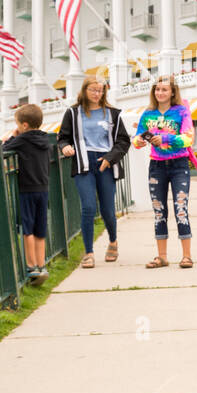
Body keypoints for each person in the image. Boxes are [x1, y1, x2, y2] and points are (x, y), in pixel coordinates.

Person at [58, 76, 129, 268]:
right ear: (84, 90)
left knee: (107, 209)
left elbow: (123, 142)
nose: (97, 94)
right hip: (83, 164)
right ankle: (88, 252)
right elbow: (62, 138)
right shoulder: (73, 113)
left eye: (101, 90)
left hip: (106, 163)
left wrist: (109, 158)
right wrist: (64, 147)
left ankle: (113, 241)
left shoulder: (113, 114)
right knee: (88, 207)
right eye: (93, 90)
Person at [133, 76, 195, 269]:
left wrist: (165, 138)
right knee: (159, 210)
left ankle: (187, 256)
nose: (160, 93)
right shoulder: (148, 113)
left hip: (179, 165)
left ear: (173, 92)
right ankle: (162, 256)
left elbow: (188, 138)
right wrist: (140, 141)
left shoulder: (182, 112)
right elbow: (137, 138)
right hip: (157, 167)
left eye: (164, 90)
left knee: (181, 208)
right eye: (157, 89)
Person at [3, 103, 52, 286]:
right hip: (43, 188)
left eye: (17, 124)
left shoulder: (23, 140)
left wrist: (12, 136)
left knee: (27, 229)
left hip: (27, 189)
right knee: (40, 229)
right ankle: (42, 265)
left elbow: (3, 150)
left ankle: (31, 267)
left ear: (23, 125)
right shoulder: (46, 139)